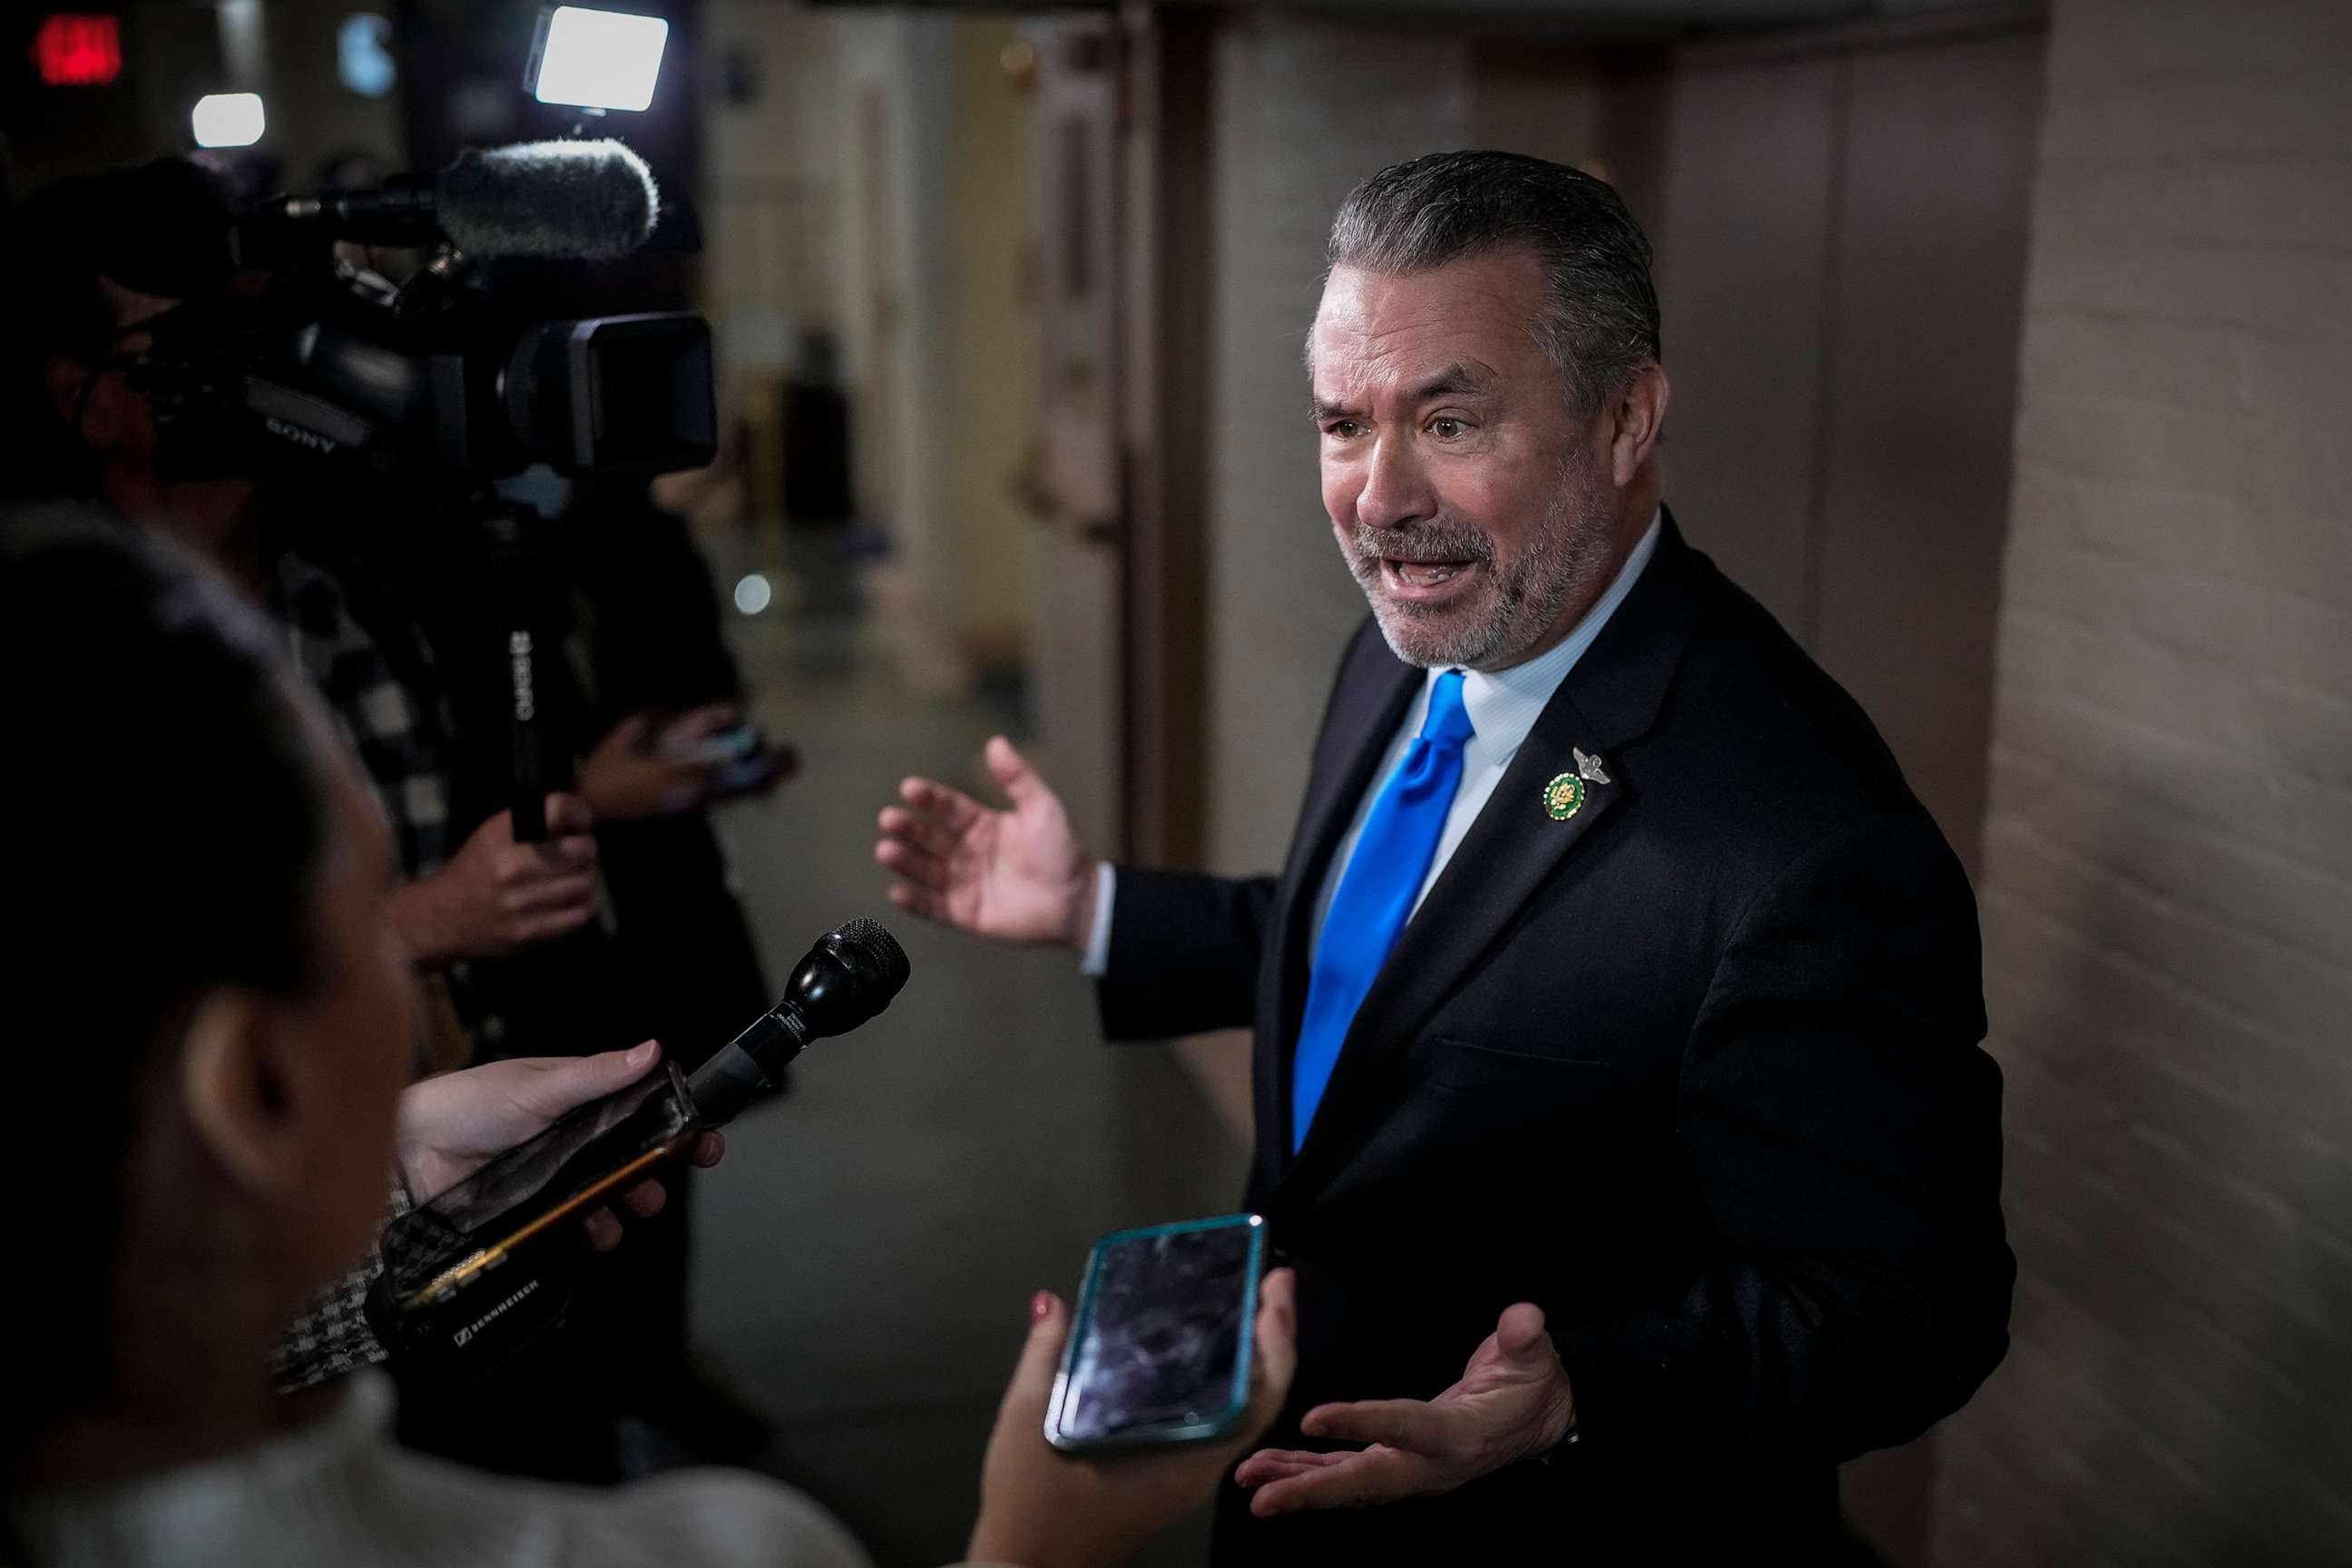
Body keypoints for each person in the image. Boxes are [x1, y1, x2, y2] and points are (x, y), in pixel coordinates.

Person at [875, 150, 2014, 1559]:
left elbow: (1914, 1307)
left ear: (1626, 418)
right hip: (1300, 1451)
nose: (1378, 498)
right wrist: (1098, 909)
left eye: (1452, 420)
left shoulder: (1805, 843)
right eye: (1343, 424)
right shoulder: (1414, 640)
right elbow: (1403, 953)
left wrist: (1574, 1400)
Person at [0, 508, 1297, 1568]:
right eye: (370, 922)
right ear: (256, 1087)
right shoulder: (726, 1550)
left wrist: (395, 1193)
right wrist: (1029, 1545)